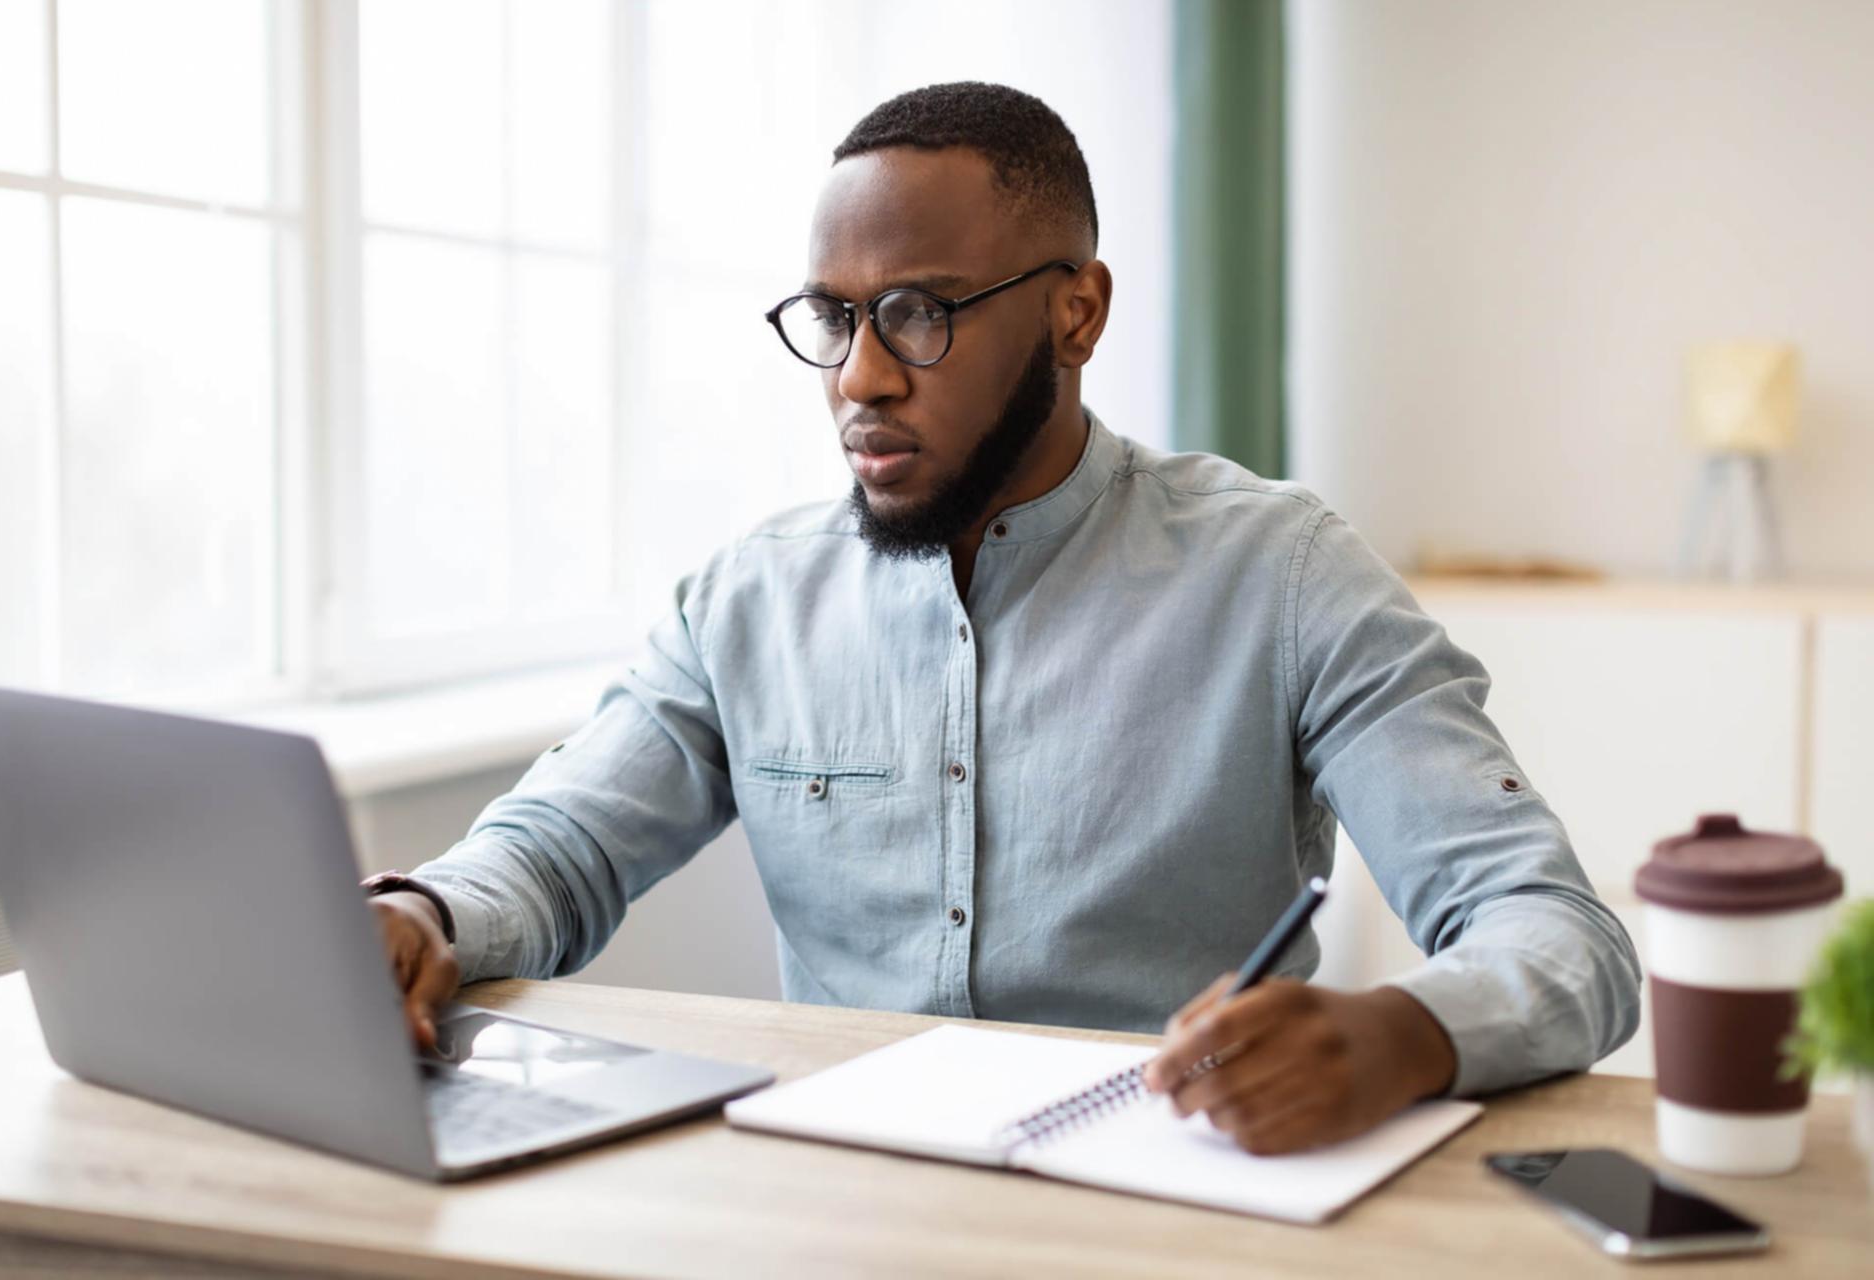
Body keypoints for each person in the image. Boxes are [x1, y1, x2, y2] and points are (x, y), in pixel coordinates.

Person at [364, 82, 1640, 1155]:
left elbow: (1555, 930)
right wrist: (422, 913)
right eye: (834, 317)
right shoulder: (749, 599)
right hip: (839, 1199)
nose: (861, 375)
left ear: (1074, 311)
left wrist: (1405, 1033)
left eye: (920, 312)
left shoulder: (1285, 576)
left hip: (1169, 1194)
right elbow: (556, 849)